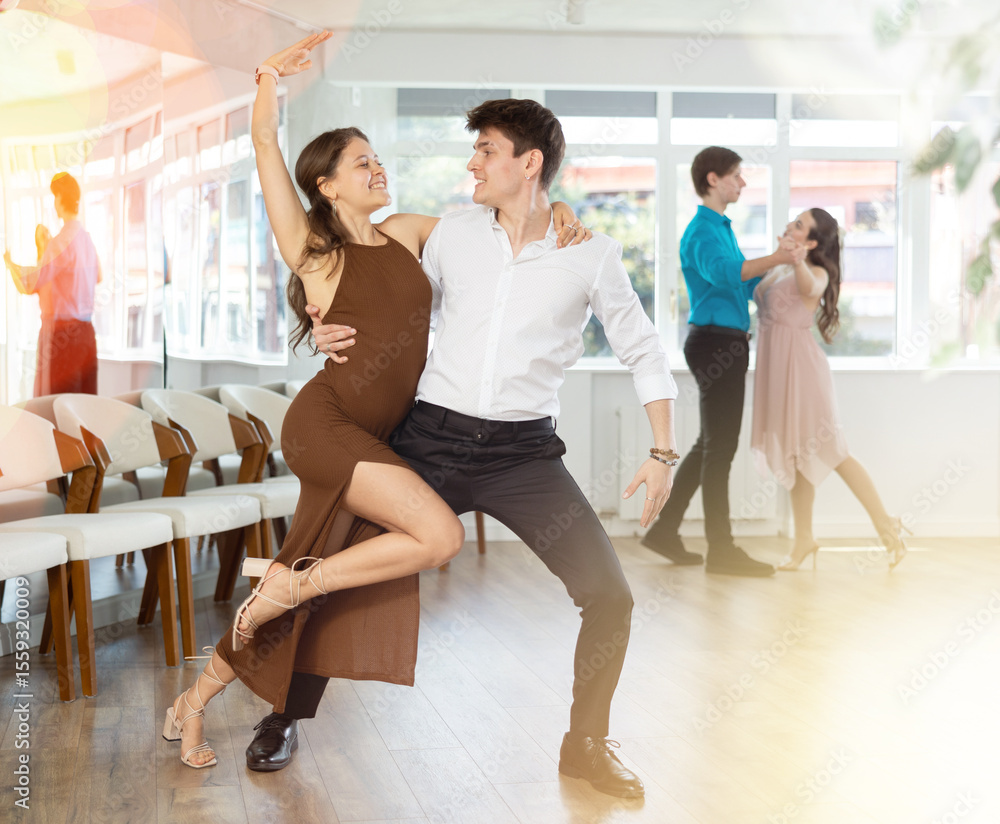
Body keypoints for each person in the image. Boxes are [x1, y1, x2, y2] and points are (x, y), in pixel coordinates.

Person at [161, 32, 588, 773]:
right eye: (361, 163)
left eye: (376, 158)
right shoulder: (316, 256)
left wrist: (563, 210)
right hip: (328, 427)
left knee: (306, 586)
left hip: (384, 437)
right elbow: (263, 147)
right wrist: (267, 78)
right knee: (438, 537)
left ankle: (193, 701)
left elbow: (507, 221)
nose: (377, 167)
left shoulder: (407, 233)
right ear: (327, 187)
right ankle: (292, 586)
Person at [306, 98, 678, 799]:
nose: (472, 162)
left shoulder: (590, 253)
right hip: (430, 438)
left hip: (523, 457)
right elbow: (369, 284)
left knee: (609, 595)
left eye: (486, 150)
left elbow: (643, 349)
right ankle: (286, 714)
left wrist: (662, 453)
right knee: (343, 563)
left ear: (529, 163)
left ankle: (585, 745)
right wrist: (318, 319)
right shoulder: (452, 234)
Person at [640, 146, 797, 576]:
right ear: (713, 179)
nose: (742, 182)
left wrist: (777, 264)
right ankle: (722, 551)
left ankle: (664, 530)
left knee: (710, 444)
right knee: (720, 450)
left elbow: (740, 286)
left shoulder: (720, 228)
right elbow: (726, 273)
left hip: (722, 343)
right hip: (717, 345)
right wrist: (778, 258)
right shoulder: (702, 231)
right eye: (736, 175)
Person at [751, 208, 908, 570]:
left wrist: (797, 261)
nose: (789, 225)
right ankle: (804, 540)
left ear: (811, 243)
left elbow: (810, 288)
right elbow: (758, 294)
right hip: (777, 369)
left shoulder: (816, 273)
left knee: (833, 451)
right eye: (792, 221)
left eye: (799, 225)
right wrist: (782, 258)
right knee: (796, 456)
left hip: (803, 372)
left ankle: (885, 523)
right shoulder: (780, 268)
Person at [3, 172, 100, 396]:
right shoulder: (87, 239)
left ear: (59, 198)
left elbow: (29, 283)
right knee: (84, 404)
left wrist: (9, 264)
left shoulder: (60, 242)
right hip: (87, 334)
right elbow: (99, 276)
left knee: (58, 403)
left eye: (55, 197)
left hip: (64, 337)